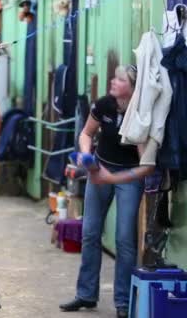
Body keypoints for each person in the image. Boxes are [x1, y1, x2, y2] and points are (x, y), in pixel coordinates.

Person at [59, 65, 155, 318]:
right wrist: (86, 156)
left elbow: (146, 166)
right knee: (90, 233)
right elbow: (86, 133)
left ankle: (122, 303)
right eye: (114, 76)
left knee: (124, 240)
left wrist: (111, 177)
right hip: (98, 169)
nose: (112, 81)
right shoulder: (104, 105)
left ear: (133, 87)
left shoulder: (141, 115)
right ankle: (86, 294)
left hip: (128, 176)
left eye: (120, 79)